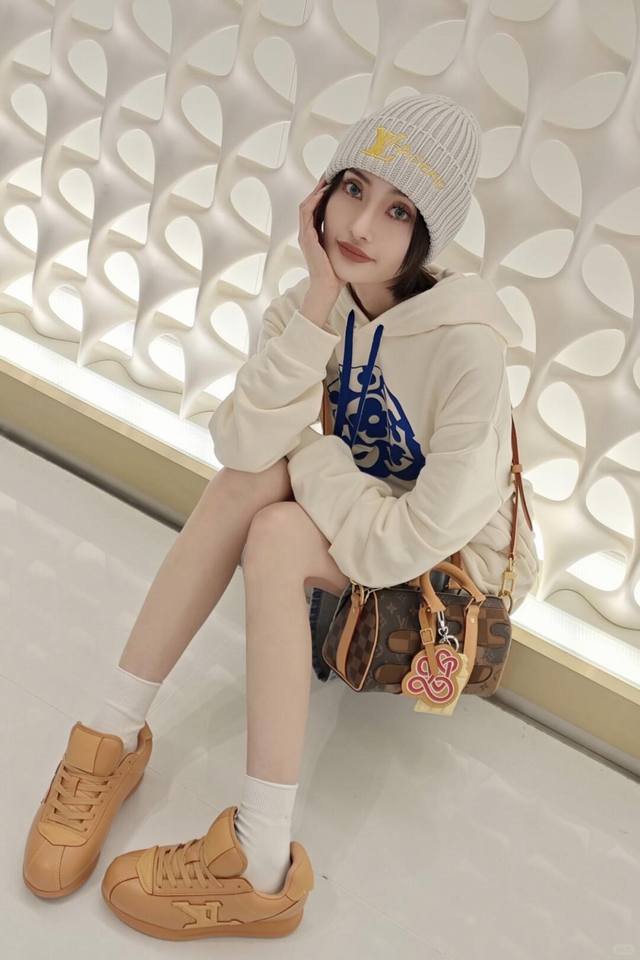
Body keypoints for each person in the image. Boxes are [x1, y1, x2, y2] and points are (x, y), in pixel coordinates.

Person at [22, 94, 540, 940]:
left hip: (441, 576)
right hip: (356, 519)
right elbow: (239, 444)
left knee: (278, 523)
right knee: (253, 481)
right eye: (353, 188)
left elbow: (399, 545)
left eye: (398, 210)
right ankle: (107, 737)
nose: (361, 224)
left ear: (428, 234)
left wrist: (311, 459)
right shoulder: (317, 301)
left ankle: (259, 862)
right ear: (322, 192)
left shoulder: (467, 348)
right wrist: (317, 305)